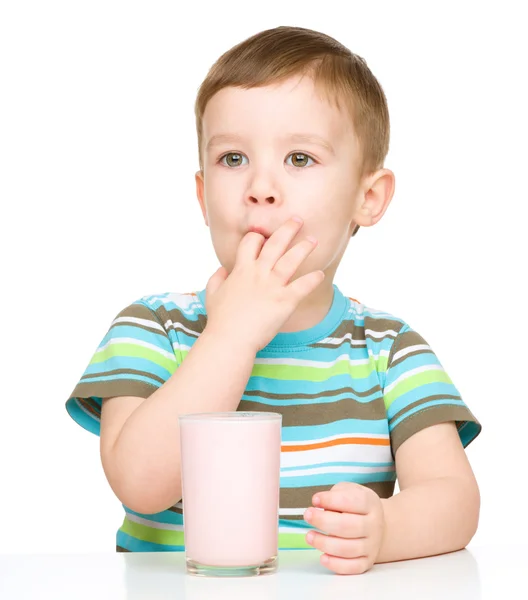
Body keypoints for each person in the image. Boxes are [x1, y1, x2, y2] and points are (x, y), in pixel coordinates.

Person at [66, 25, 482, 575]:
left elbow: (455, 499)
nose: (260, 186)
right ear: (202, 196)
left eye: (300, 159)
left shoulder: (389, 350)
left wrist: (387, 529)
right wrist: (232, 335)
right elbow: (141, 484)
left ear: (368, 197)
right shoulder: (151, 328)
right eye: (233, 159)